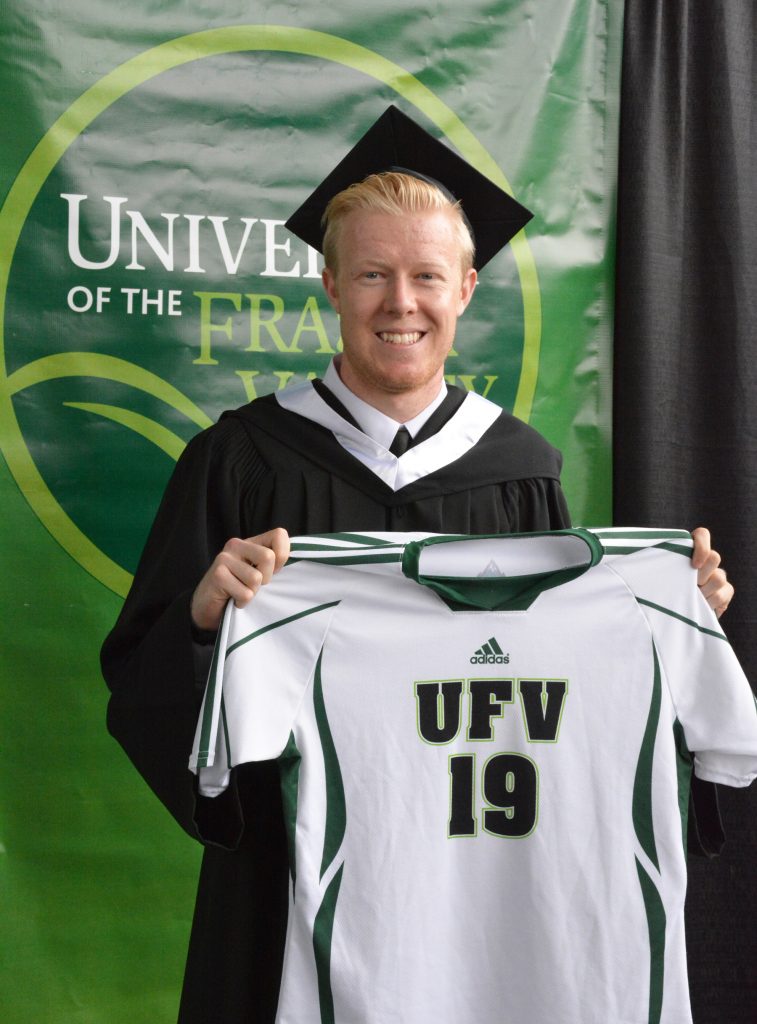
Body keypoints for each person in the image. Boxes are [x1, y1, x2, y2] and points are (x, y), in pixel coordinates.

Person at [101, 106, 733, 1024]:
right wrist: (201, 621)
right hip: (292, 872)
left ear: (466, 287)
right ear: (329, 283)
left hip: (474, 883)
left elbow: (561, 689)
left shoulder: (517, 470)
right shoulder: (238, 462)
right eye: (371, 275)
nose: (401, 303)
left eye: (426, 276)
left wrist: (670, 623)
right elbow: (140, 688)